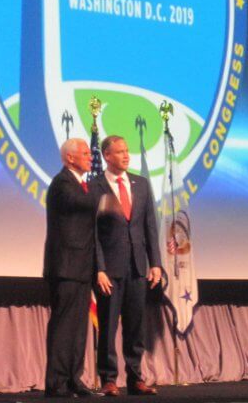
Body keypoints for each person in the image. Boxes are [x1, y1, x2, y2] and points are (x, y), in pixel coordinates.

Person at [91, 136, 162, 397]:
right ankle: (109, 379)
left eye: (127, 150)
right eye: (120, 151)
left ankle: (135, 379)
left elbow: (150, 225)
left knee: (135, 326)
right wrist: (99, 268)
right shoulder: (95, 186)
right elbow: (93, 233)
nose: (126, 155)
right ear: (107, 156)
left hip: (137, 267)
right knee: (108, 326)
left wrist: (155, 263)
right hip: (109, 270)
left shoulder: (140, 184)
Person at [43, 138, 98, 398]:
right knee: (64, 327)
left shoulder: (82, 185)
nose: (90, 157)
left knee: (78, 329)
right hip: (65, 267)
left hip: (82, 267)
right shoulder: (62, 183)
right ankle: (57, 383)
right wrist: (107, 195)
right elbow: (82, 203)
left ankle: (74, 379)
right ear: (70, 158)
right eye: (85, 153)